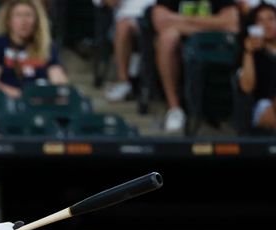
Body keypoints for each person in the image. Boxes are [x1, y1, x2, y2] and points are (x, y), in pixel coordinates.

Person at [152, 0, 239, 133]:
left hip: (214, 47)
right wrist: (212, 23)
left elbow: (232, 23)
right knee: (167, 38)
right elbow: (159, 21)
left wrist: (181, 21)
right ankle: (174, 108)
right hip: (180, 49)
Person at [0, 0, 67, 100]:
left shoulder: (46, 46)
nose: (24, 21)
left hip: (43, 102)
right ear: (8, 20)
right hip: (9, 104)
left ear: (36, 20)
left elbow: (59, 81)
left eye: (28, 15)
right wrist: (25, 97)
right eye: (18, 15)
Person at [101, 0, 156, 102]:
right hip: (125, 17)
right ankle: (124, 82)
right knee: (122, 27)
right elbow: (111, 3)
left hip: (156, 15)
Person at [239, 3, 276, 130]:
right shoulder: (251, 53)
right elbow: (247, 87)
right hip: (262, 107)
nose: (267, 24)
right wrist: (248, 53)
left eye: (271, 18)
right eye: (260, 20)